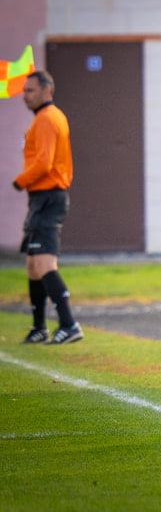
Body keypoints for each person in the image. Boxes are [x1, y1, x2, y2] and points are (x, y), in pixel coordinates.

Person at [13, 70, 82, 345]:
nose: (25, 96)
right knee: (33, 265)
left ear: (46, 91)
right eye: (24, 90)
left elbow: (43, 163)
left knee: (44, 263)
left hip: (48, 197)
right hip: (40, 199)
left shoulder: (47, 119)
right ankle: (39, 327)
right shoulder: (44, 119)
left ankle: (69, 324)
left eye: (30, 90)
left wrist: (19, 181)